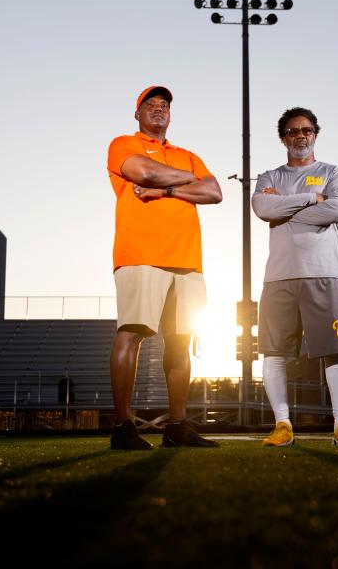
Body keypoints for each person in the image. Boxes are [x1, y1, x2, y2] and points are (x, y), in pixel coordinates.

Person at [106, 85, 223, 450]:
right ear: (138, 113)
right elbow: (143, 172)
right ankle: (124, 426)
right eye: (150, 104)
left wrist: (167, 190)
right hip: (141, 253)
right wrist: (187, 180)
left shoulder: (187, 153)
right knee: (132, 333)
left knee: (181, 341)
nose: (159, 109)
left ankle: (177, 426)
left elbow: (215, 192)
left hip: (187, 259)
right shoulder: (124, 143)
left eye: (164, 105)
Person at [251, 107, 338, 447]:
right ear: (282, 138)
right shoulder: (269, 176)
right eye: (292, 131)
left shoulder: (334, 173)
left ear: (315, 134)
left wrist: (285, 211)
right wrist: (308, 200)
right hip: (279, 278)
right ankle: (282, 425)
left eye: (306, 130)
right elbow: (262, 209)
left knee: (335, 351)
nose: (300, 136)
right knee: (273, 353)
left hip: (327, 274)